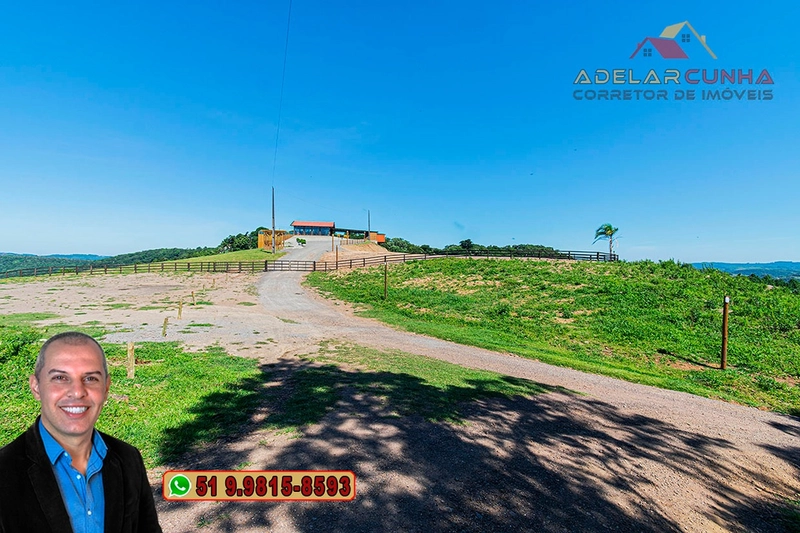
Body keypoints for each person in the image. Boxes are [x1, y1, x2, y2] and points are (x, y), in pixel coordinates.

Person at [0, 331, 162, 533]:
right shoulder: (4, 471)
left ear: (106, 388)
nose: (77, 392)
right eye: (60, 377)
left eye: (91, 378)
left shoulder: (129, 459)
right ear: (36, 387)